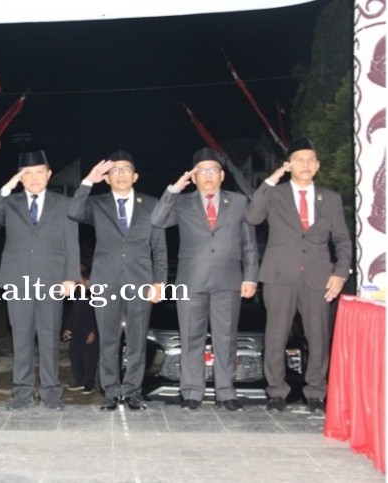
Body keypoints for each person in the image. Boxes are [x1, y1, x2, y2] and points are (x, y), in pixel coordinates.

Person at [245, 138, 351, 414]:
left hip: (318, 277)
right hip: (280, 274)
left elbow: (342, 240)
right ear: (289, 165)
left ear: (317, 166)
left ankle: (315, 392)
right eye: (299, 160)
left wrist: (340, 273)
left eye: (310, 160)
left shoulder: (329, 198)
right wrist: (269, 182)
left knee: (318, 335)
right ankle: (276, 391)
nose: (305, 165)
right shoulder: (275, 194)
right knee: (276, 334)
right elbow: (253, 216)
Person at [150, 148, 259, 411]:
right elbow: (156, 220)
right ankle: (191, 391)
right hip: (191, 281)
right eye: (201, 171)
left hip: (229, 280)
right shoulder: (182, 202)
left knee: (226, 337)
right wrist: (174, 189)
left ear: (221, 175)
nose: (207, 176)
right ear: (194, 177)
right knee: (191, 337)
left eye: (212, 170)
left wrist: (251, 277)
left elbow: (249, 245)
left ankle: (226, 392)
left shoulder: (239, 202)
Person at [67, 150, 167, 411]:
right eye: (114, 171)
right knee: (108, 339)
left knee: (136, 340)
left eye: (125, 170)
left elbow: (159, 247)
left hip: (141, 281)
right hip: (105, 280)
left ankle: (133, 391)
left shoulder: (152, 203)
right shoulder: (98, 203)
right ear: (107, 178)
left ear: (135, 176)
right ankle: (111, 391)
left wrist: (160, 282)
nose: (120, 174)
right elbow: (74, 212)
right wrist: (88, 180)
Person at [0, 150, 80, 411]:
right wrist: (8, 186)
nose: (34, 178)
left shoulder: (64, 203)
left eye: (39, 173)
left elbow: (72, 242)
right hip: (18, 279)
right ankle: (22, 394)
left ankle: (51, 394)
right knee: (22, 338)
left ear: (49, 175)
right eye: (27, 174)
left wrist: (71, 277)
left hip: (51, 279)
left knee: (49, 339)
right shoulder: (10, 203)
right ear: (20, 177)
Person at [62, 264, 99, 394]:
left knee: (89, 359)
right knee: (75, 357)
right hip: (76, 332)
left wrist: (93, 332)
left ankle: (89, 383)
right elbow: (72, 313)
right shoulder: (77, 295)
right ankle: (80, 381)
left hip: (89, 332)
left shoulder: (95, 296)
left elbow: (98, 316)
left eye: (82, 281)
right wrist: (67, 328)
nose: (80, 284)